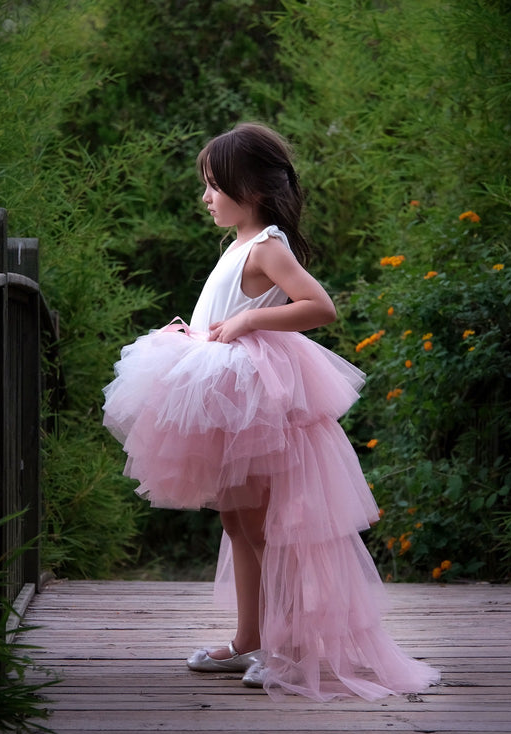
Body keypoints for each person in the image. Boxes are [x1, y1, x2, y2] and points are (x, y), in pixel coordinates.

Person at [102, 122, 440, 702]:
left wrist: (251, 321)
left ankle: (288, 646)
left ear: (250, 190)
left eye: (213, 185)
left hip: (259, 399)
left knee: (266, 527)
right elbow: (225, 308)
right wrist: (196, 335)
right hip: (227, 389)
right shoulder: (237, 246)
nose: (205, 196)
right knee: (237, 523)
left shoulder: (267, 247)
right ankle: (249, 636)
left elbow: (320, 307)